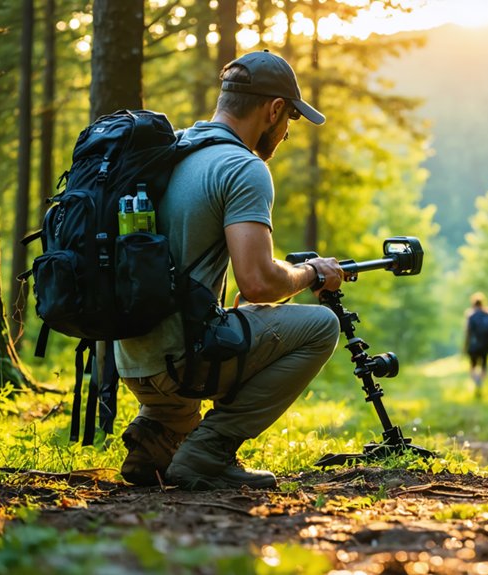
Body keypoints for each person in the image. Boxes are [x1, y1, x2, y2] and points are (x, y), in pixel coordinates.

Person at [115, 51, 347, 490]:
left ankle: (155, 438)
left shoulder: (171, 150)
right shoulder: (242, 167)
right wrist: (311, 273)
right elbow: (258, 283)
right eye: (289, 119)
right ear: (273, 110)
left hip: (128, 358)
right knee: (321, 326)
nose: (285, 132)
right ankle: (209, 451)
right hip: (180, 364)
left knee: (220, 328)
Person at [464, 293, 488, 399]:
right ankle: (481, 381)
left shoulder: (470, 315)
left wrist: (465, 346)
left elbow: (468, 332)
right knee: (484, 366)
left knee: (473, 366)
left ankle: (476, 381)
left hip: (473, 345)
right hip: (485, 345)